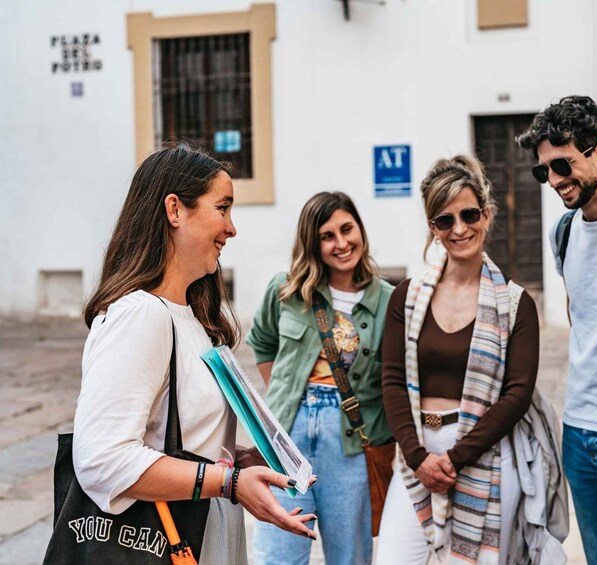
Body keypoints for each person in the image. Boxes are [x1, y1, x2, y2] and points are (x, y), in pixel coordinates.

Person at [74, 145, 316, 565]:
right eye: (222, 208)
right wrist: (229, 482)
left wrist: (247, 458)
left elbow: (184, 439)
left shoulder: (193, 316)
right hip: (166, 538)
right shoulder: (140, 315)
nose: (232, 228)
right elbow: (102, 459)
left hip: (203, 528)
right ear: (175, 210)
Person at [377, 155, 539, 565]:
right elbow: (392, 381)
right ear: (432, 228)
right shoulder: (407, 297)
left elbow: (517, 396)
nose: (459, 229)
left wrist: (455, 457)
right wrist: (418, 457)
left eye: (468, 214)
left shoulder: (516, 304)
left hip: (479, 454)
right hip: (416, 454)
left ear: (486, 215)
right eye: (444, 220)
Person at [247, 191, 394, 565]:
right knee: (278, 555)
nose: (342, 243)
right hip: (286, 441)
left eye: (348, 229)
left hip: (351, 444)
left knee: (349, 557)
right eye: (328, 236)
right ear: (313, 243)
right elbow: (263, 344)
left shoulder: (390, 301)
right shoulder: (286, 290)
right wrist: (287, 396)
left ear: (361, 229)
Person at [516, 95, 597, 563]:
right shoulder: (562, 232)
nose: (554, 180)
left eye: (562, 165)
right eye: (544, 171)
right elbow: (578, 314)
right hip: (579, 431)